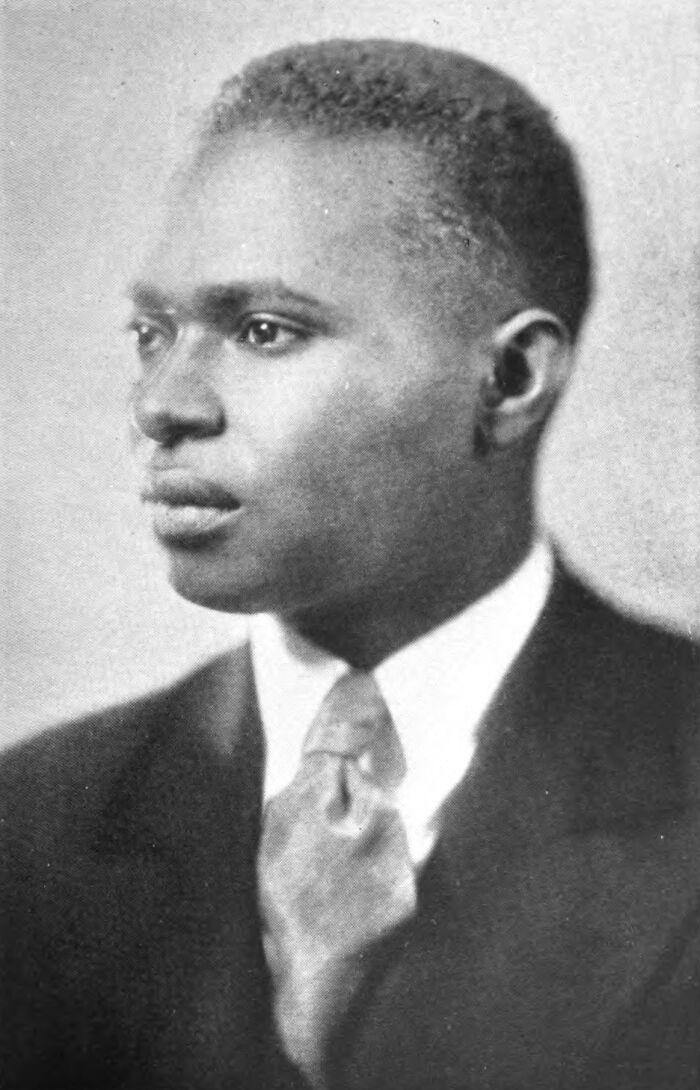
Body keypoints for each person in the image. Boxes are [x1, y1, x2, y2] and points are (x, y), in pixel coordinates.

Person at [1, 38, 698, 1090]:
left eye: (265, 328)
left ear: (508, 379)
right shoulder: (34, 824)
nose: (164, 404)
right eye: (154, 331)